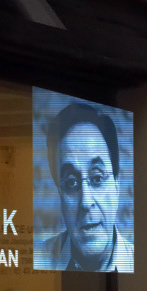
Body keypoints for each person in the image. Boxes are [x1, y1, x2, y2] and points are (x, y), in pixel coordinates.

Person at [39, 103, 132, 272]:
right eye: (71, 183)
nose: (86, 202)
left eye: (97, 178)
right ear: (60, 193)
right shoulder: (37, 260)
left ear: (116, 184)